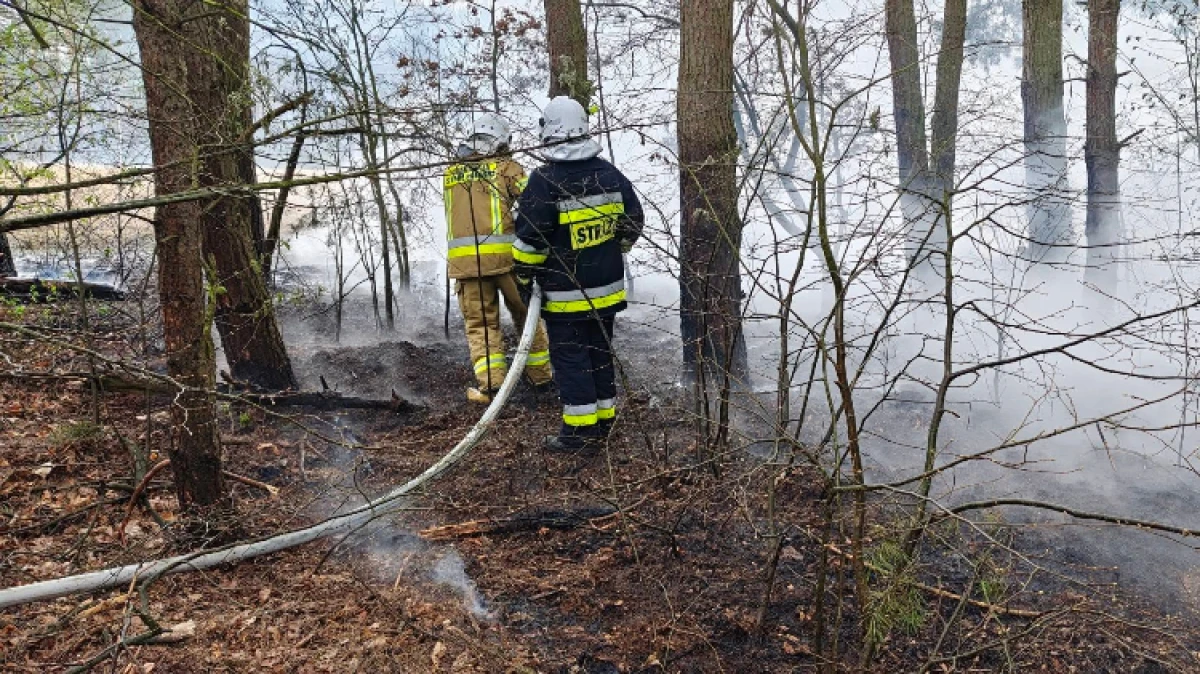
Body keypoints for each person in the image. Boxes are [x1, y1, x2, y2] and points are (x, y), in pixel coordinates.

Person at [512, 96, 644, 452]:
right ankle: (605, 423)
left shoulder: (544, 181)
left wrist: (522, 281)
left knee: (571, 360)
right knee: (599, 353)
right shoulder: (608, 174)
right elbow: (633, 221)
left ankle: (580, 435)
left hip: (565, 296)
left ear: (550, 132)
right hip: (608, 292)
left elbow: (528, 244)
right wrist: (614, 248)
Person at [443, 112, 553, 403]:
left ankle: (491, 387)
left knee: (481, 325)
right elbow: (535, 201)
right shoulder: (507, 168)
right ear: (501, 140)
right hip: (508, 262)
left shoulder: (451, 172)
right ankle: (540, 378)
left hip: (466, 267)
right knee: (525, 316)